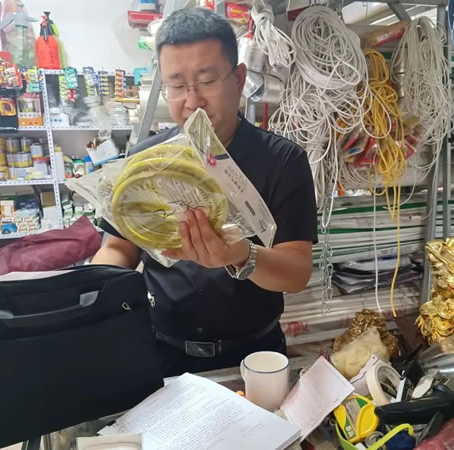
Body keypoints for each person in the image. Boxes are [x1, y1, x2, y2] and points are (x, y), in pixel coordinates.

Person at [92, 7, 317, 376]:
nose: (192, 101)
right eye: (177, 85)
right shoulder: (145, 160)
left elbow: (296, 272)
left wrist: (242, 255)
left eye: (207, 80)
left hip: (253, 357)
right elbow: (118, 247)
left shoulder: (282, 161)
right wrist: (93, 292)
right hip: (162, 355)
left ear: (239, 79)